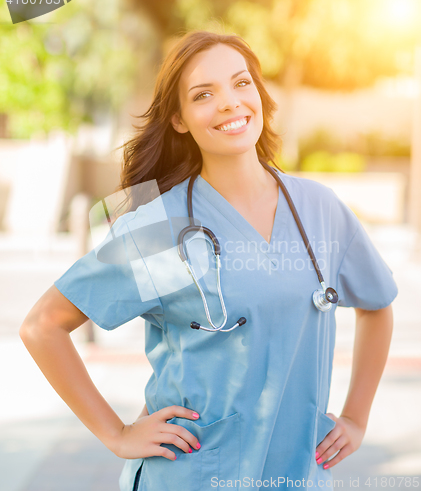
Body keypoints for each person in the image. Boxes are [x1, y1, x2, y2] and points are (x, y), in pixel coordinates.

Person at [20, 30, 398, 491]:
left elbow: (377, 305)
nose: (229, 103)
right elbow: (43, 326)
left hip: (296, 474)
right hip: (192, 475)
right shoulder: (161, 227)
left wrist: (356, 418)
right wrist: (116, 433)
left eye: (242, 84)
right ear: (179, 119)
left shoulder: (319, 210)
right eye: (204, 94)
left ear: (259, 94)